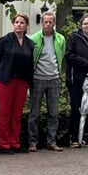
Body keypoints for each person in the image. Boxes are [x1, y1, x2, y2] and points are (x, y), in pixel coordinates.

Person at [0, 14, 33, 153]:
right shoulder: (5, 40)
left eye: (22, 22)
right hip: (5, 81)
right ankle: (3, 144)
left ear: (26, 25)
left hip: (21, 81)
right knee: (5, 112)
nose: (19, 25)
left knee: (17, 113)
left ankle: (15, 142)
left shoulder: (29, 43)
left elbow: (30, 62)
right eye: (16, 22)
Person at [27, 11, 65, 151]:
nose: (48, 24)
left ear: (54, 23)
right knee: (34, 113)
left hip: (54, 79)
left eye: (50, 22)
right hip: (38, 79)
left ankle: (52, 141)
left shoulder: (60, 39)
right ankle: (33, 142)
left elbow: (61, 56)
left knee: (53, 113)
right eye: (45, 22)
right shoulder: (33, 39)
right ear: (42, 23)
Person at [65, 15, 88, 147]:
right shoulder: (73, 38)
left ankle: (86, 136)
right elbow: (69, 56)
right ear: (81, 25)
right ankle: (73, 137)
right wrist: (86, 63)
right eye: (85, 24)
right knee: (76, 108)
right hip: (76, 79)